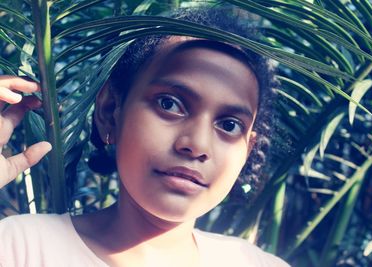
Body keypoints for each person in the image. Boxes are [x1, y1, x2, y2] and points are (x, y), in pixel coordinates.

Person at [0, 7, 290, 267]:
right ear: (110, 110)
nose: (197, 145)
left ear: (248, 151)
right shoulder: (19, 247)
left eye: (229, 125)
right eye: (169, 104)